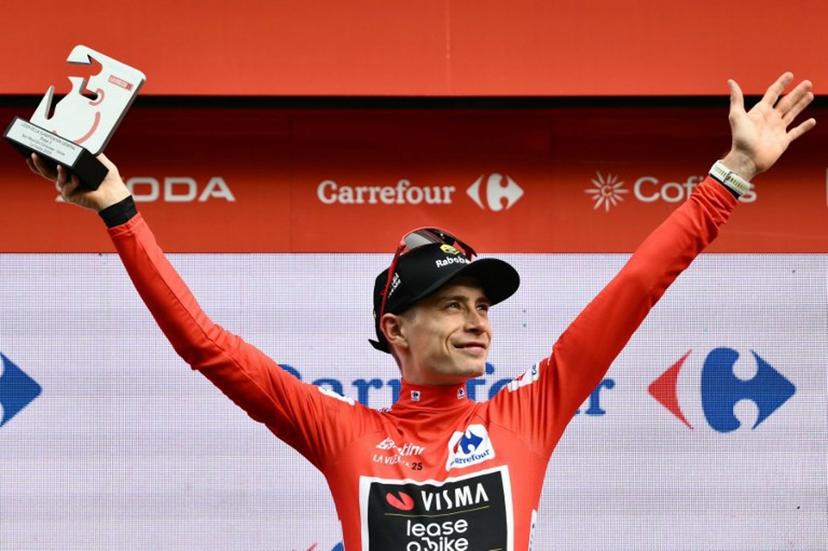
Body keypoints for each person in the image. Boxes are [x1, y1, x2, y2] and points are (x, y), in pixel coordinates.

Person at [28, 74, 815, 550]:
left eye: (482, 304)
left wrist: (733, 173)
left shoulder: (529, 412)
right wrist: (119, 208)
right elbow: (206, 345)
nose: (478, 321)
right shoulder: (342, 431)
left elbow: (635, 288)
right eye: (450, 305)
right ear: (395, 329)